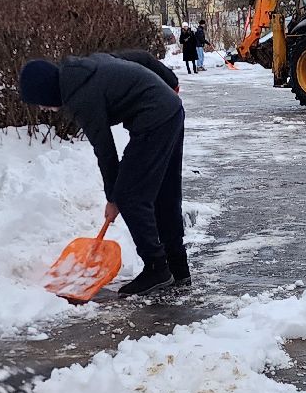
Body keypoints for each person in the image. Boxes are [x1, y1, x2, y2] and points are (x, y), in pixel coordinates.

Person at [18, 54, 189, 295]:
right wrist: (168, 81)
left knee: (130, 195)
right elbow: (139, 57)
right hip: (170, 110)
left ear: (46, 91)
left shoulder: (80, 95)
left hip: (155, 118)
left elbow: (105, 150)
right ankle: (178, 266)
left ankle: (157, 267)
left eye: (40, 102)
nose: (43, 109)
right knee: (164, 192)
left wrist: (114, 197)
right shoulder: (82, 68)